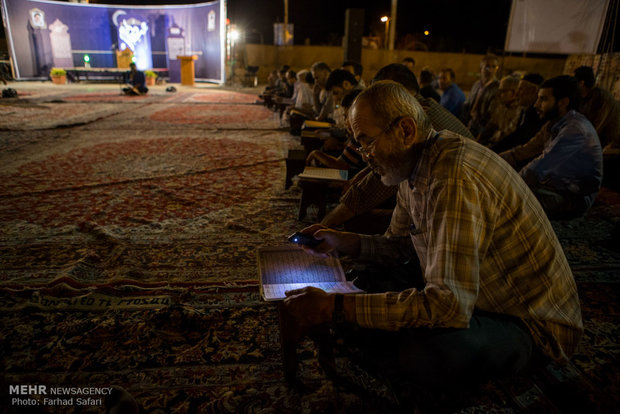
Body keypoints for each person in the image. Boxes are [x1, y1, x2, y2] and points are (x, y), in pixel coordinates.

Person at [283, 81, 583, 403]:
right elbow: (399, 247)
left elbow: (448, 306)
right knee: (368, 281)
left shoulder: (452, 177)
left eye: (367, 143)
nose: (365, 156)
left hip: (530, 324)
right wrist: (344, 242)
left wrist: (336, 307)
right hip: (477, 292)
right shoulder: (410, 168)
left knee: (424, 354)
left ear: (405, 130)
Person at [321, 63, 473, 230]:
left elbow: (378, 184)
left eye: (380, 96)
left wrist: (331, 220)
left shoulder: (418, 124)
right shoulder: (417, 118)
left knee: (357, 220)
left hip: (461, 207)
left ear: (400, 93)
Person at [500, 75, 603, 219]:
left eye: (543, 99)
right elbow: (522, 152)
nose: (536, 105)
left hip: (573, 198)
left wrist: (504, 187)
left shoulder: (574, 130)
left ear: (563, 102)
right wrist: (490, 161)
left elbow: (537, 168)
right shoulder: (552, 124)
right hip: (553, 187)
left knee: (506, 202)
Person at [490, 73, 544, 154]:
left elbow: (518, 138)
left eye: (521, 89)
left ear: (533, 91)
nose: (517, 94)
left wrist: (492, 151)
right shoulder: (524, 111)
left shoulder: (537, 116)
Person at [573, 66, 620, 151]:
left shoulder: (601, 98)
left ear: (581, 83)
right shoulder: (582, 98)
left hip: (606, 145)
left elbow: (596, 127)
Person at [477, 75, 521, 146]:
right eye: (499, 90)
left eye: (503, 91)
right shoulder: (502, 106)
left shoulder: (518, 111)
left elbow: (507, 134)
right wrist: (478, 139)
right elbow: (492, 124)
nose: (499, 94)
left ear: (513, 93)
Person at [462, 54, 500, 136]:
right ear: (481, 68)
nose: (490, 70)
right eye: (487, 66)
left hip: (482, 126)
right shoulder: (477, 85)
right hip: (471, 122)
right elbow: (468, 103)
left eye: (494, 67)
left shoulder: (497, 88)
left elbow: (493, 114)